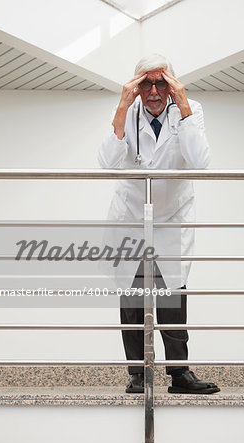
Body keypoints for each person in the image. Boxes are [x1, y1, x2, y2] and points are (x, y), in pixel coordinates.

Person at [98, 54, 220, 394]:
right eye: (146, 84)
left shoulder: (189, 109)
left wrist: (183, 106)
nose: (154, 91)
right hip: (131, 219)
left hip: (170, 220)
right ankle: (138, 374)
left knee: (172, 298)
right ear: (135, 87)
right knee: (133, 300)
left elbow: (199, 161)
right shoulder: (126, 110)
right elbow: (107, 162)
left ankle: (179, 374)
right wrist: (123, 107)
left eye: (161, 83)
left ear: (172, 84)